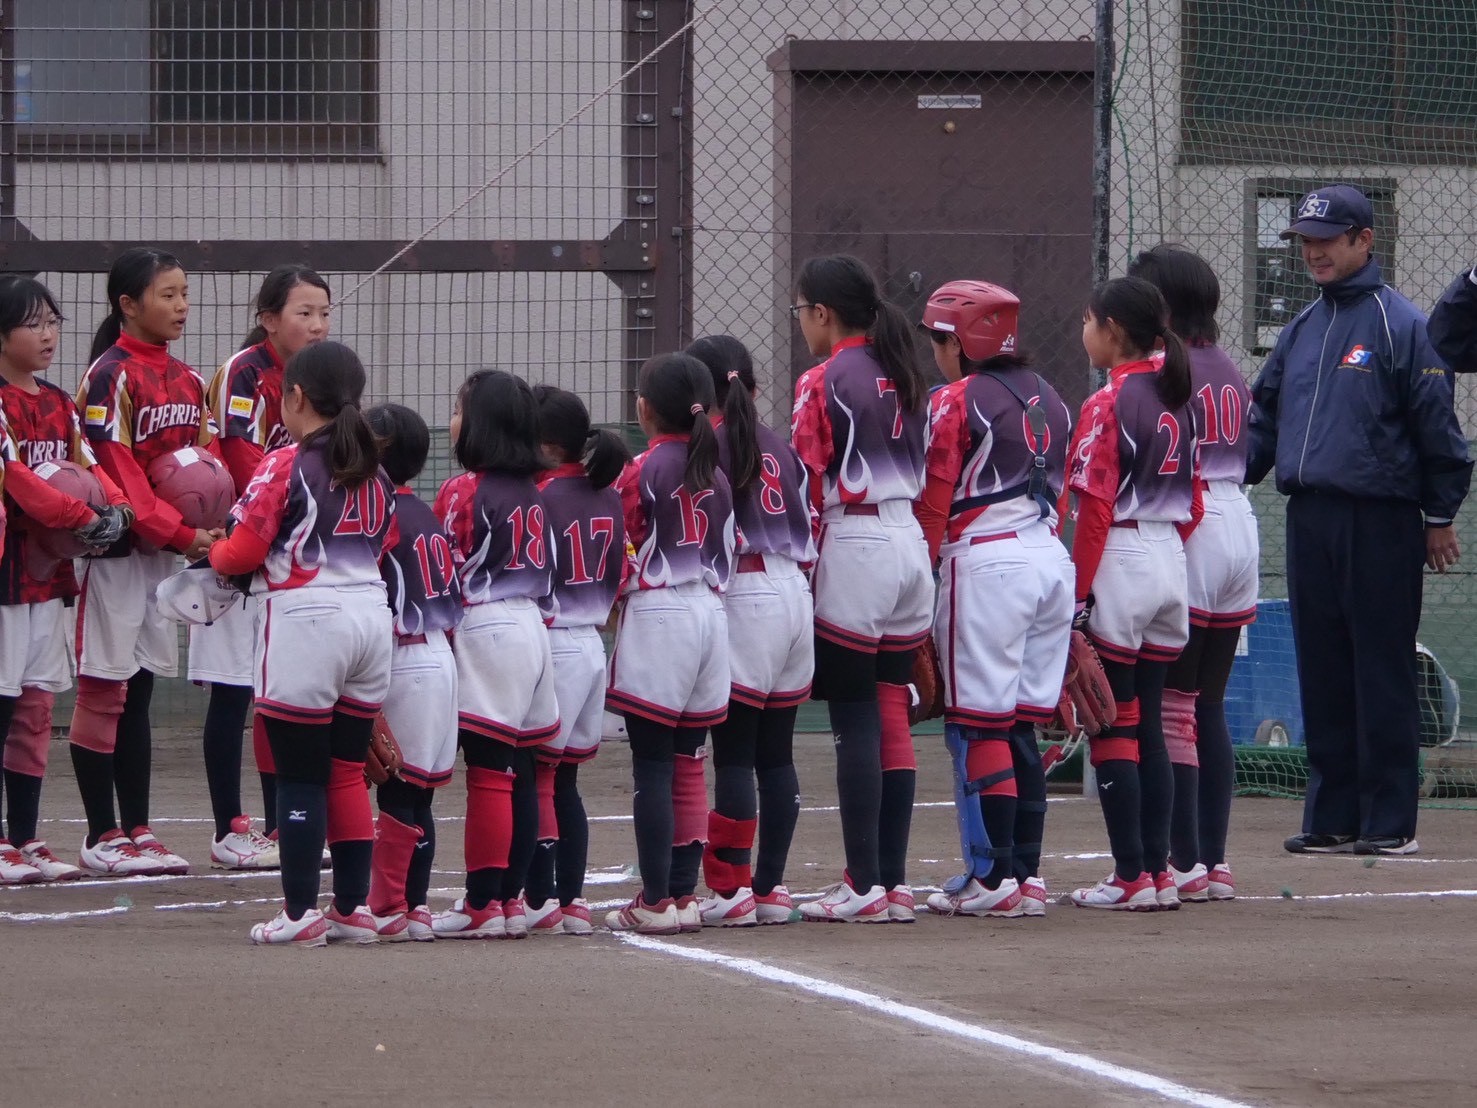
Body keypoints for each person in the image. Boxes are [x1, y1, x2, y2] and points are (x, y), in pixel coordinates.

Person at [1247, 185, 1472, 857]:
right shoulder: (1301, 327)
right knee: (1321, 666)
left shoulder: (1400, 324)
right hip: (1309, 517)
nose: (1313, 252)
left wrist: (1438, 514)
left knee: (1380, 667)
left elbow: (1438, 429)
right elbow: (1263, 418)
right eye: (1305, 241)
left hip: (1381, 520)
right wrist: (1223, 483)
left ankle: (1388, 821)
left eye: (1326, 239)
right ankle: (1332, 815)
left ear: (1363, 240)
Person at [208, 340, 396, 945]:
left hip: (307, 619)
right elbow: (386, 543)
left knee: (298, 776)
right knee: (346, 771)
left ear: (294, 397)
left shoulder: (284, 462)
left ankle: (298, 914)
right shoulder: (376, 469)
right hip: (371, 617)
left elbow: (241, 551)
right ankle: (352, 910)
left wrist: (213, 553)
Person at [913, 281, 1074, 919]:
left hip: (987, 563)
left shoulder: (953, 400)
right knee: (1020, 724)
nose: (935, 352)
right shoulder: (1053, 395)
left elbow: (934, 501)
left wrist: (917, 574)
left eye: (939, 340)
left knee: (978, 726)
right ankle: (1025, 877)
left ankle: (989, 879)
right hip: (1048, 559)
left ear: (959, 342)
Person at [789, 254, 932, 924]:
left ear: (823, 313)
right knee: (889, 710)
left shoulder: (822, 378)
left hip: (857, 542)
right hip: (908, 543)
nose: (801, 323)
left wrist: (802, 571)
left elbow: (805, 482)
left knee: (853, 717)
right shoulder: (903, 369)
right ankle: (892, 884)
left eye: (801, 311)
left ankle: (862, 884)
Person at [74, 247, 219, 876]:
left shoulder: (188, 379)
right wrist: (182, 533)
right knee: (104, 687)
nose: (182, 305)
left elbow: (207, 461)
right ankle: (100, 833)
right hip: (114, 554)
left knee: (139, 690)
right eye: (168, 294)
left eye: (185, 293)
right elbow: (116, 470)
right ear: (128, 305)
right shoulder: (108, 376)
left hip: (164, 555)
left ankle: (138, 828)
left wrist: (214, 522)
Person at [1066, 276, 1201, 912]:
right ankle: (1159, 873)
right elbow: (1194, 504)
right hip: (1170, 554)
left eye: (1088, 320)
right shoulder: (1178, 394)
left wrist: (1077, 595)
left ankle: (1130, 876)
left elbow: (1094, 511)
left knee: (1112, 724)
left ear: (1113, 330)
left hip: (1121, 554)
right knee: (1147, 720)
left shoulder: (1108, 400)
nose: (1084, 331)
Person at [1128, 245, 1255, 902]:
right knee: (1206, 702)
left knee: (1172, 704)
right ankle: (1213, 862)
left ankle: (1182, 862)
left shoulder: (1165, 369)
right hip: (1239, 523)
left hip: (1195, 520)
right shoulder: (1228, 366)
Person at [194, 264, 332, 870]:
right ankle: (229, 828)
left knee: (282, 691)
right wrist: (287, 510)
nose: (318, 324)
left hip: (292, 553)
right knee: (232, 690)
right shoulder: (243, 372)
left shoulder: (322, 375)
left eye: (324, 313)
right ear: (269, 319)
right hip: (242, 542)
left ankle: (281, 825)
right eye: (305, 313)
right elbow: (240, 456)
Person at [0, 277, 131, 883]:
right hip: (6, 573)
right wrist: (83, 516)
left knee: (35, 706)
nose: (48, 334)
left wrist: (118, 507)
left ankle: (24, 838)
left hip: (48, 574)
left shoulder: (58, 402)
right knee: (3, 703)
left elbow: (89, 464)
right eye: (34, 324)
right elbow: (18, 479)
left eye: (53, 322)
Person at [687, 335, 815, 927]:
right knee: (776, 754)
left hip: (748, 592)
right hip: (794, 592)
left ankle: (730, 889)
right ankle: (769, 888)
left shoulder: (706, 445)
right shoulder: (782, 447)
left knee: (735, 754)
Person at [604, 353, 735, 934]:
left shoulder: (640, 469)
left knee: (653, 766)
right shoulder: (718, 473)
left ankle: (656, 900)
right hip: (710, 614)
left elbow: (620, 549)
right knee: (688, 761)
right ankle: (682, 894)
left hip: (661, 614)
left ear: (644, 408)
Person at [431, 370, 559, 940]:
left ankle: (483, 902)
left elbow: (443, 569)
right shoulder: (534, 491)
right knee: (520, 769)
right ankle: (509, 900)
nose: (453, 420)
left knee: (489, 773)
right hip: (531, 626)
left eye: (460, 410)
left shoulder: (464, 489)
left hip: (487, 626)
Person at [524, 386, 630, 935]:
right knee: (565, 782)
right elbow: (622, 576)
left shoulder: (539, 497)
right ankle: (571, 900)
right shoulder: (606, 495)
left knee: (539, 778)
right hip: (591, 645)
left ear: (544, 443)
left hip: (555, 642)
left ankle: (540, 899)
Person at [362, 403, 463, 941]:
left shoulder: (378, 514)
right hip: (441, 657)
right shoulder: (425, 511)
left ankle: (389, 906)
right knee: (418, 794)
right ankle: (415, 906)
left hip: (405, 659)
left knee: (398, 792)